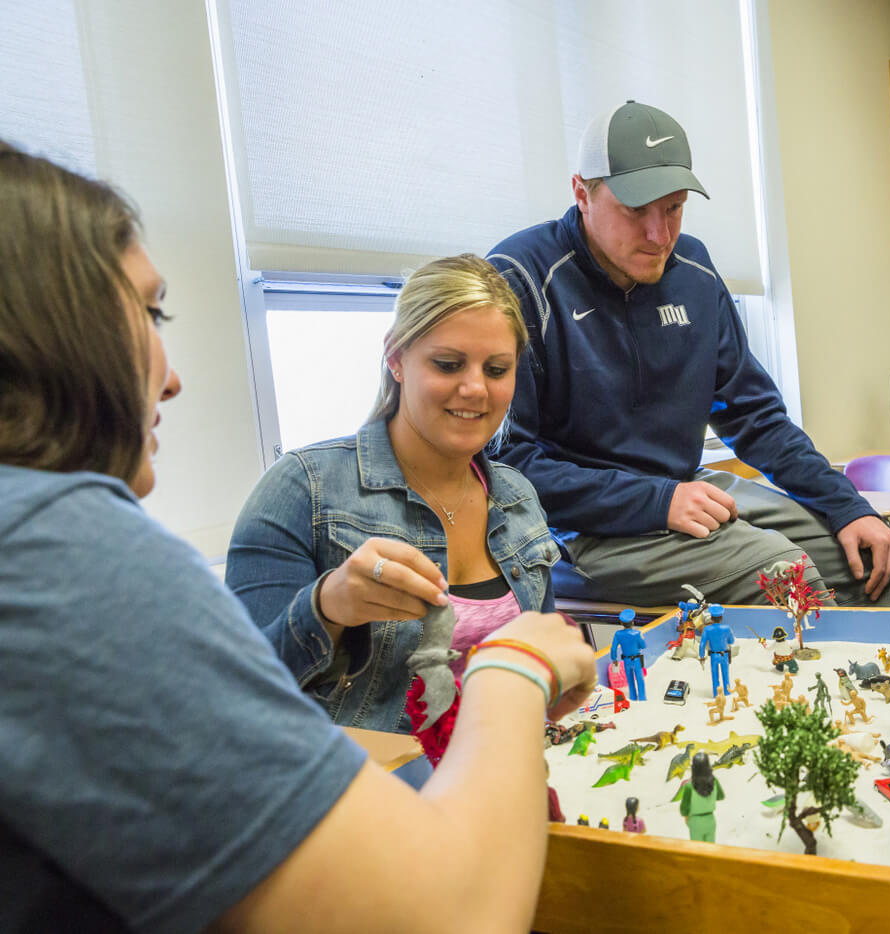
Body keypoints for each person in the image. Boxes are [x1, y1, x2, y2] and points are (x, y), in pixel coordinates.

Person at [0, 143, 597, 933]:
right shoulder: (73, 551)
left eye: (497, 368)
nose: (170, 376)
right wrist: (511, 663)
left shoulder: (516, 495)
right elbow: (452, 914)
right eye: (150, 313)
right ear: (57, 331)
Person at [486, 100, 890, 607]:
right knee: (789, 580)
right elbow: (506, 468)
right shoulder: (520, 277)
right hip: (578, 527)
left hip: (685, 487)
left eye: (674, 207)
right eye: (636, 211)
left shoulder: (694, 269)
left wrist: (849, 507)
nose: (659, 235)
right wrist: (656, 501)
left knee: (864, 560)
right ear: (582, 193)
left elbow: (757, 418)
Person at [226, 254, 561, 731]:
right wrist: (326, 608)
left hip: (506, 778)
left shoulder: (517, 497)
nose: (474, 389)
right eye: (448, 364)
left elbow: (542, 667)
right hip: (370, 790)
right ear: (396, 357)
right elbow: (238, 691)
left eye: (496, 369)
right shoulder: (304, 489)